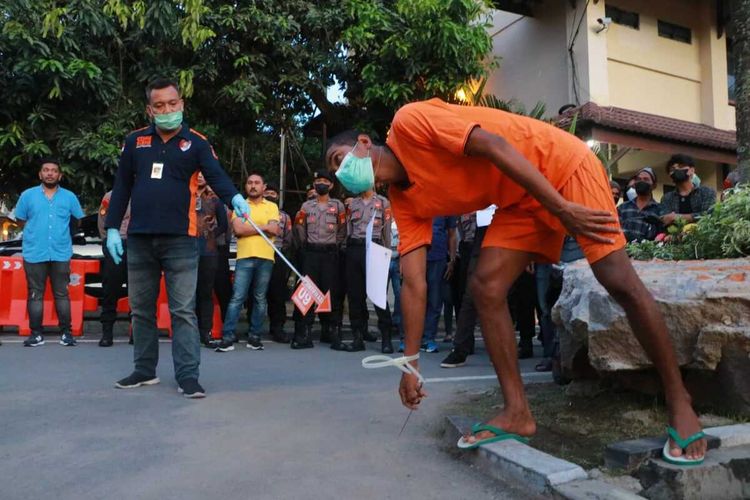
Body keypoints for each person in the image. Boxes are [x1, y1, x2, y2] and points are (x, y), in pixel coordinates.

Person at [325, 98, 707, 463]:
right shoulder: (404, 202)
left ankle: (679, 400)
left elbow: (493, 145)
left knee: (616, 279)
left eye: (339, 161)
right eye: (333, 172)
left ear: (364, 144)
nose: (340, 174)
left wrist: (561, 208)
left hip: (562, 165)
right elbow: (413, 283)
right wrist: (410, 364)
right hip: (519, 201)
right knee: (486, 287)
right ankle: (517, 412)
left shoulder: (410, 122)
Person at [105, 78, 250, 399]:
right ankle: (144, 370)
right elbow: (122, 187)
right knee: (141, 308)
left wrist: (235, 199)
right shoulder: (135, 142)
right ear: (149, 109)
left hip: (181, 240)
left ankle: (188, 376)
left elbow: (216, 175)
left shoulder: (196, 143)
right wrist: (113, 227)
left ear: (181, 104)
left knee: (182, 310)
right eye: (159, 106)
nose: (166, 110)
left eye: (172, 104)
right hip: (140, 238)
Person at [14, 158, 84, 347]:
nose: (50, 173)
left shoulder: (69, 197)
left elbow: (78, 220)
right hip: (34, 251)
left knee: (62, 293)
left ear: (60, 175)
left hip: (61, 252)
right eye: (46, 170)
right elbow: (20, 219)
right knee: (35, 293)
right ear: (40, 174)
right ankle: (36, 334)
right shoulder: (27, 196)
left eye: (54, 170)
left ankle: (66, 334)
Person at [214, 173, 280, 352]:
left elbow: (274, 229)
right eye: (250, 183)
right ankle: (228, 336)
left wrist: (254, 229)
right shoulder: (240, 205)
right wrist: (263, 227)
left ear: (263, 187)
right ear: (245, 186)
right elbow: (238, 229)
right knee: (237, 297)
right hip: (244, 257)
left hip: (266, 257)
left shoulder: (272, 206)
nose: (253, 186)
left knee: (260, 298)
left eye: (257, 183)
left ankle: (255, 336)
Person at [291, 171, 346, 349]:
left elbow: (342, 231)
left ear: (330, 185)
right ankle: (303, 334)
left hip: (330, 254)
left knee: (331, 293)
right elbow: (300, 230)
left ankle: (332, 333)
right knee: (306, 292)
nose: (321, 184)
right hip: (311, 254)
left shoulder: (338, 206)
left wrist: (334, 247)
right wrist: (305, 248)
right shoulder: (306, 207)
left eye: (324, 181)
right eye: (318, 181)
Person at [344, 187, 394, 353]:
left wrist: (386, 254)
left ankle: (386, 338)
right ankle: (358, 337)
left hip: (375, 247)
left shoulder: (383, 202)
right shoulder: (353, 204)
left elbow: (386, 231)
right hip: (355, 249)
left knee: (378, 296)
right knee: (355, 296)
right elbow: (348, 230)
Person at [440, 226, 486, 368]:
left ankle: (503, 350)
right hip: (472, 241)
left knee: (499, 297)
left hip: (501, 234)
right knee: (469, 296)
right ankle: (461, 349)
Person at [195, 175, 228, 347]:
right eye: (197, 173)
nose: (200, 176)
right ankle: (189, 332)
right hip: (186, 251)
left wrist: (211, 236)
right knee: (187, 294)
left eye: (203, 173)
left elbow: (224, 224)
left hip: (209, 251)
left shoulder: (215, 199)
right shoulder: (186, 194)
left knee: (206, 293)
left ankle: (205, 332)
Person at [97, 190, 130, 347]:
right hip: (116, 244)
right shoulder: (111, 196)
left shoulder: (147, 191)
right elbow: (102, 223)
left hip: (140, 244)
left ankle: (136, 332)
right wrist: (107, 242)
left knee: (139, 291)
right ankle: (107, 331)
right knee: (111, 288)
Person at [422, 216, 457, 353]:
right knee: (417, 299)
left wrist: (452, 260)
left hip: (438, 257)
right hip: (418, 255)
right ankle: (413, 338)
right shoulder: (419, 199)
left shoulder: (446, 204)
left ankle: (429, 338)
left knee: (435, 300)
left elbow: (452, 234)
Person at [263, 184, 293, 343]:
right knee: (257, 293)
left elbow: (288, 238)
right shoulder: (255, 211)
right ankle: (254, 329)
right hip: (259, 253)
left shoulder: (284, 217)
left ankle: (277, 328)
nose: (269, 194)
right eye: (267, 192)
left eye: (272, 192)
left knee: (277, 294)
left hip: (277, 255)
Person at [660, 154, 716, 227]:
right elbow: (664, 220)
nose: (676, 170)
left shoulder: (707, 192)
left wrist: (676, 217)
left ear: (692, 170)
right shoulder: (667, 198)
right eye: (672, 169)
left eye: (680, 166)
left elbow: (708, 216)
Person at [617, 167, 665, 242]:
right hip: (624, 252)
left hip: (647, 252)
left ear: (654, 185)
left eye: (646, 179)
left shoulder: (660, 210)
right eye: (639, 179)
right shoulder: (622, 208)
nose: (641, 181)